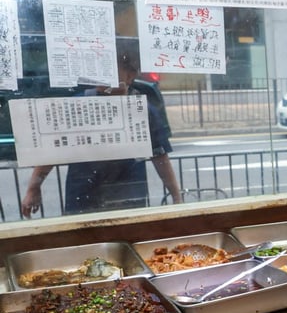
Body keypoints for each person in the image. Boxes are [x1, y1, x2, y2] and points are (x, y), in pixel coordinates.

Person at [20, 40, 183, 217]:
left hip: (128, 195)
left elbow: (160, 156)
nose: (101, 75)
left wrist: (176, 197)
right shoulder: (77, 105)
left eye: (109, 69)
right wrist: (33, 187)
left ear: (130, 75)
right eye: (97, 68)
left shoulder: (142, 109)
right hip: (83, 195)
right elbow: (53, 150)